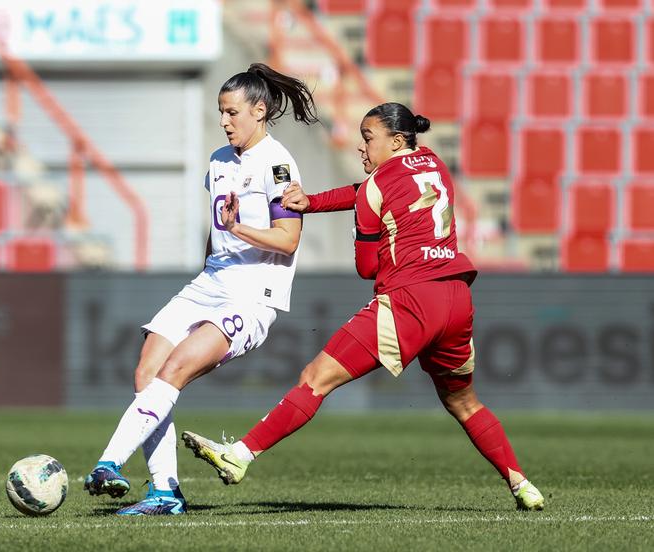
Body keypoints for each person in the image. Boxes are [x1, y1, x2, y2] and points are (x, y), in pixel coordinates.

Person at [182, 102, 545, 511]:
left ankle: (240, 455)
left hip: (410, 300)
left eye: (368, 138)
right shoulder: (434, 164)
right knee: (465, 403)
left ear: (395, 140)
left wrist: (362, 229)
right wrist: (314, 202)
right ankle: (522, 484)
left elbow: (366, 266)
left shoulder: (377, 186)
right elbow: (370, 191)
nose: (361, 148)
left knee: (315, 378)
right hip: (457, 297)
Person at [83, 63, 320, 515]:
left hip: (251, 294)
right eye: (220, 112)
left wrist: (239, 227)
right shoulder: (217, 160)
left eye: (232, 112)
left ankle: (108, 462)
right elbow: (217, 234)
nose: (225, 121)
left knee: (174, 369)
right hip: (210, 281)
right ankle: (165, 492)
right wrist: (209, 265)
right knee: (145, 374)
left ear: (260, 110)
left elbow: (288, 240)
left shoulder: (278, 164)